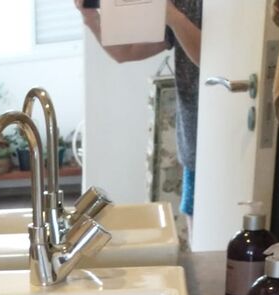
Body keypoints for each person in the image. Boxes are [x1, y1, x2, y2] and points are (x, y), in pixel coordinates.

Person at [76, 0, 203, 229]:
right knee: (199, 230)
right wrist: (91, 18)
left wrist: (173, 16)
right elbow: (125, 52)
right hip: (193, 140)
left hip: (223, 133)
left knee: (223, 230)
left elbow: (211, 58)